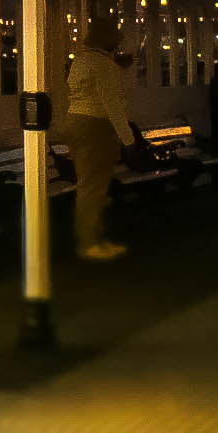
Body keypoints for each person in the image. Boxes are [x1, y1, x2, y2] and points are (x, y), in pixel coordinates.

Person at [64, 13, 133, 260]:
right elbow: (111, 103)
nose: (119, 41)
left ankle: (95, 238)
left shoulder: (83, 61)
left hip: (78, 122)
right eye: (116, 38)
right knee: (94, 187)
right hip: (96, 126)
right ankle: (89, 243)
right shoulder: (103, 66)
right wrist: (128, 139)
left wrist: (116, 65)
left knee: (91, 185)